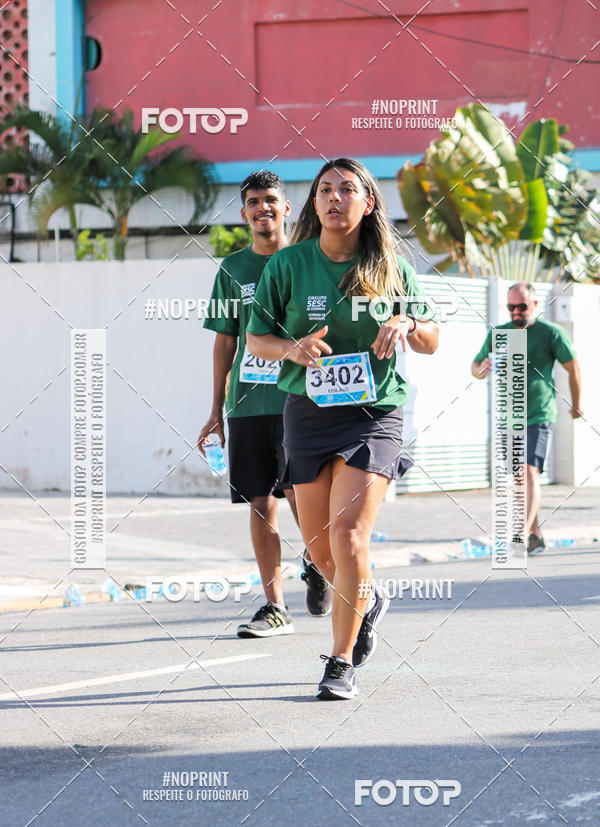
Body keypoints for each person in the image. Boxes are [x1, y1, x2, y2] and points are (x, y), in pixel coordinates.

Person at [246, 158, 439, 699]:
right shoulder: (287, 266)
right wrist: (293, 347)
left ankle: (339, 662)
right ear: (313, 203)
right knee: (323, 551)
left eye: (347, 189)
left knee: (350, 536)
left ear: (368, 202)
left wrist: (408, 321)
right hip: (307, 414)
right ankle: (369, 600)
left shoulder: (391, 269)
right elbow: (256, 340)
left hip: (374, 413)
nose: (334, 198)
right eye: (324, 190)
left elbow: (432, 340)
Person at [197, 171, 332, 638]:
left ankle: (316, 561)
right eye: (254, 201)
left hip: (301, 401)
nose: (263, 208)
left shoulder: (307, 261)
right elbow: (224, 343)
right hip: (249, 406)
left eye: (271, 200)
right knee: (260, 503)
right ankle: (275, 605)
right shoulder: (233, 270)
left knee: (301, 497)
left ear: (288, 208)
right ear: (244, 213)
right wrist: (215, 412)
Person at [471, 281, 582, 553]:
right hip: (510, 417)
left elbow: (574, 368)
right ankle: (535, 534)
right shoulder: (500, 334)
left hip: (540, 414)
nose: (516, 312)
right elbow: (475, 366)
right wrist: (481, 368)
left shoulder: (550, 333)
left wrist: (576, 405)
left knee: (529, 472)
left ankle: (519, 530)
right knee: (520, 478)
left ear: (534, 305)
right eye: (511, 307)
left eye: (521, 306)